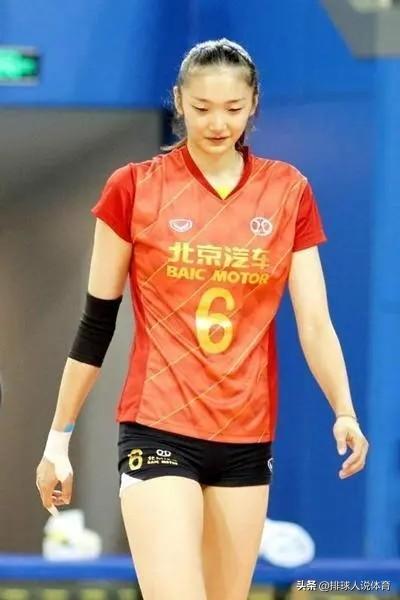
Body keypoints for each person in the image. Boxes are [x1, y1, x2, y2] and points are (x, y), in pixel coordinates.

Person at [36, 39, 369, 600]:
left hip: (246, 434)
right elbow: (97, 322)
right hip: (158, 426)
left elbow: (315, 322)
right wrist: (57, 438)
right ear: (179, 101)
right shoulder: (134, 187)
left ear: (254, 104)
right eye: (202, 108)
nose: (218, 123)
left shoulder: (287, 191)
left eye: (233, 108)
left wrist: (345, 410)